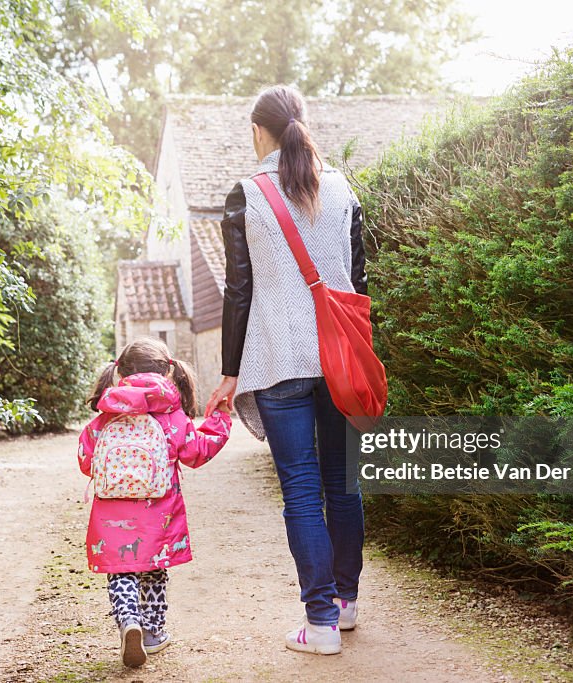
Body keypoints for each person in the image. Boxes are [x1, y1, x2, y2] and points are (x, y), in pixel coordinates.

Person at [205, 84, 368, 656]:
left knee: (301, 490)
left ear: (259, 132)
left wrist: (229, 372)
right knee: (342, 485)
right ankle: (345, 607)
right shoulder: (344, 189)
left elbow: (238, 291)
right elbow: (359, 286)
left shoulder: (246, 195)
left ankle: (320, 623)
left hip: (278, 361)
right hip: (341, 359)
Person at [79, 336, 232, 667]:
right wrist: (220, 419)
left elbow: (84, 458)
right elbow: (197, 452)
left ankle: (128, 621)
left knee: (122, 571)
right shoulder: (170, 415)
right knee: (154, 571)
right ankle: (152, 632)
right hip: (159, 515)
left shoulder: (107, 414)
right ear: (168, 373)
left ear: (121, 372)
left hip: (111, 515)